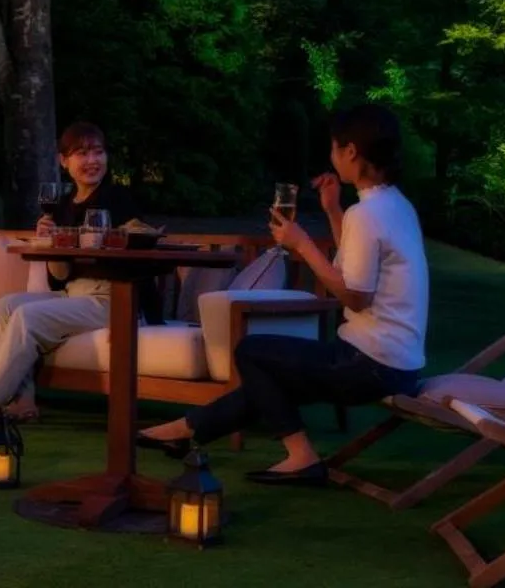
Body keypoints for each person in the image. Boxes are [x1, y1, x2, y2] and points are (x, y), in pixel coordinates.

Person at [137, 104, 428, 484]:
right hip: (397, 364)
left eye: (334, 148)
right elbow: (354, 265)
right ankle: (186, 430)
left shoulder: (370, 213)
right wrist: (333, 210)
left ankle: (301, 455)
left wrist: (302, 245)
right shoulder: (395, 206)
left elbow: (356, 297)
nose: (332, 156)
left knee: (252, 352)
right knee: (272, 376)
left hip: (370, 363)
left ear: (351, 152)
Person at [0, 121, 144, 429]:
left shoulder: (118, 199)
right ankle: (23, 401)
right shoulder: (63, 205)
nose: (92, 161)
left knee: (28, 317)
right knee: (8, 305)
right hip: (75, 294)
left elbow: (137, 243)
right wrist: (52, 243)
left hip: (112, 296)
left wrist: (110, 239)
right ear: (64, 161)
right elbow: (60, 278)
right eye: (82, 153)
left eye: (98, 152)